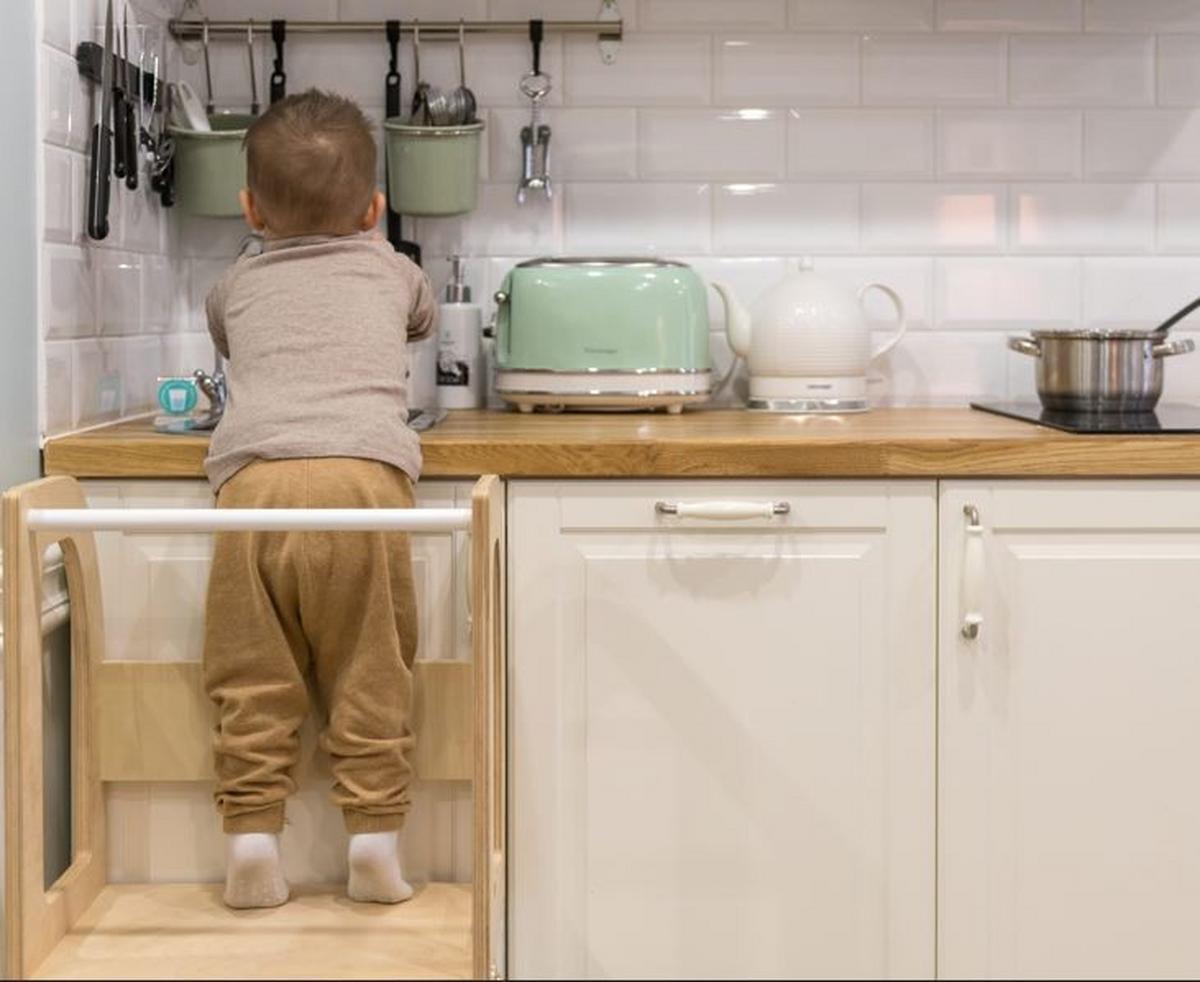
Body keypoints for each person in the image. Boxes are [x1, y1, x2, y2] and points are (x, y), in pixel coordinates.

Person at [201, 89, 436, 909]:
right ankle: (373, 839)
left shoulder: (233, 285)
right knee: (372, 666)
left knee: (250, 670)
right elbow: (419, 319)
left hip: (255, 487)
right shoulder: (396, 270)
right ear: (375, 208)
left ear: (249, 209)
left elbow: (231, 339)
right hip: (363, 484)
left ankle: (252, 838)